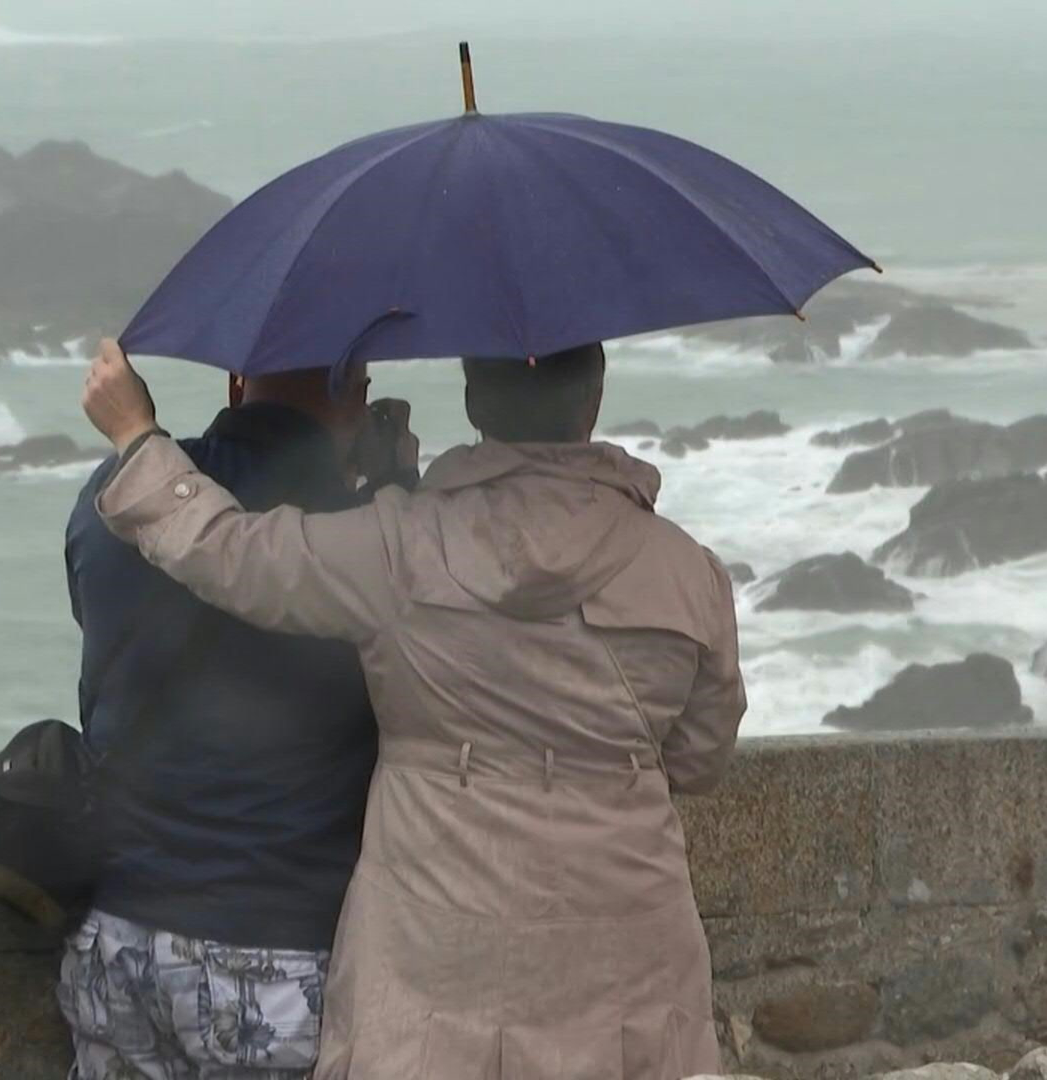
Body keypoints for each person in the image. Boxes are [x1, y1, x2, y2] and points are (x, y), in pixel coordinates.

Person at [82, 337, 746, 1080]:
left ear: (472, 401)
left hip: (438, 944)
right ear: (592, 402)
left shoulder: (402, 545)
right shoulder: (691, 571)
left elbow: (230, 552)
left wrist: (137, 438)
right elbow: (699, 756)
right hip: (632, 950)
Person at [58, 362, 418, 1080]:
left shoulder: (111, 496)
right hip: (277, 955)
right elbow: (412, 677)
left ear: (235, 383)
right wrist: (399, 493)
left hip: (118, 935)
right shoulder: (363, 541)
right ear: (354, 393)